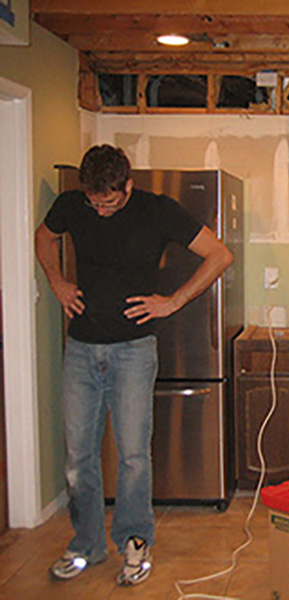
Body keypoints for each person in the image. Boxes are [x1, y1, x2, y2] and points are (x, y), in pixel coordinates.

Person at [35, 145, 233, 586]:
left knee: (133, 456)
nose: (101, 210)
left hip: (133, 351)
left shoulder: (159, 210)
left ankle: (134, 542)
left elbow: (219, 254)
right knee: (77, 458)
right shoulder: (72, 204)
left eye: (110, 201)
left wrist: (174, 301)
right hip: (81, 349)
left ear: (128, 185)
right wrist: (58, 281)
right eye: (94, 202)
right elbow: (44, 236)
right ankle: (86, 544)